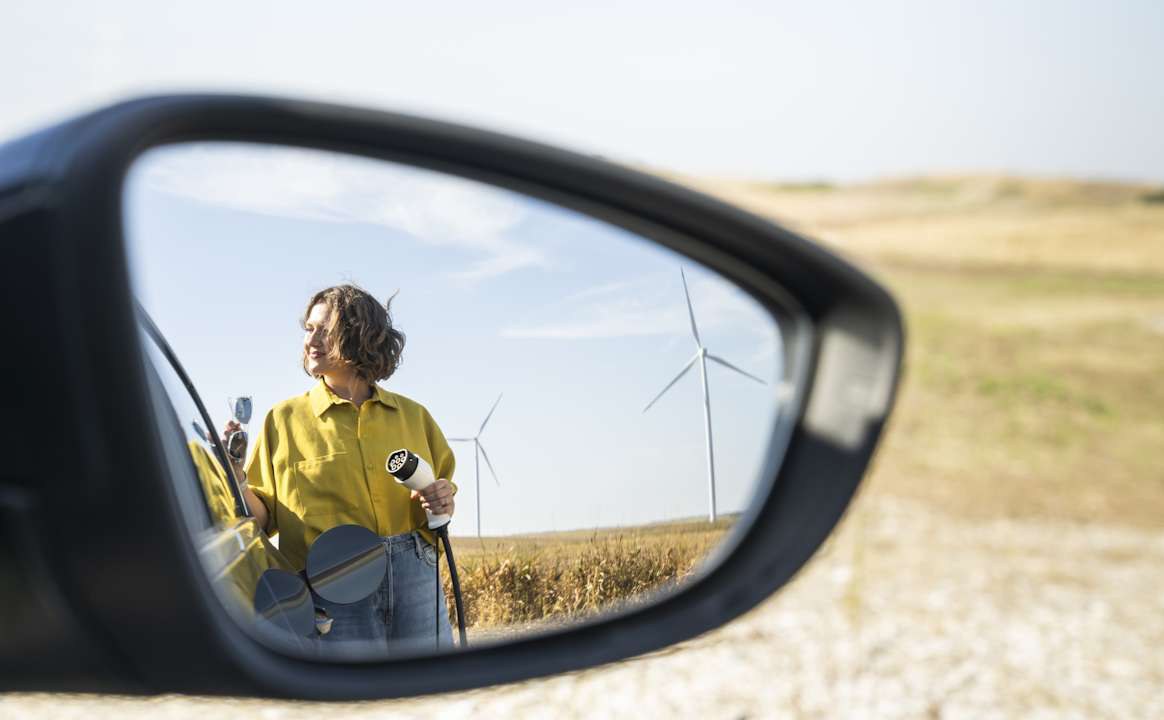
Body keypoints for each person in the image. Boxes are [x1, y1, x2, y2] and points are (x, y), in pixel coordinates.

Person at [222, 284, 457, 651]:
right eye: (308, 329)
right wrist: (236, 476)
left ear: (362, 335)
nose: (310, 340)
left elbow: (442, 493)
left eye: (324, 330)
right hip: (333, 583)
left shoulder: (414, 416)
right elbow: (261, 519)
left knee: (432, 693)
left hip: (416, 575)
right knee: (353, 703)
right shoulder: (282, 420)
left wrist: (442, 499)